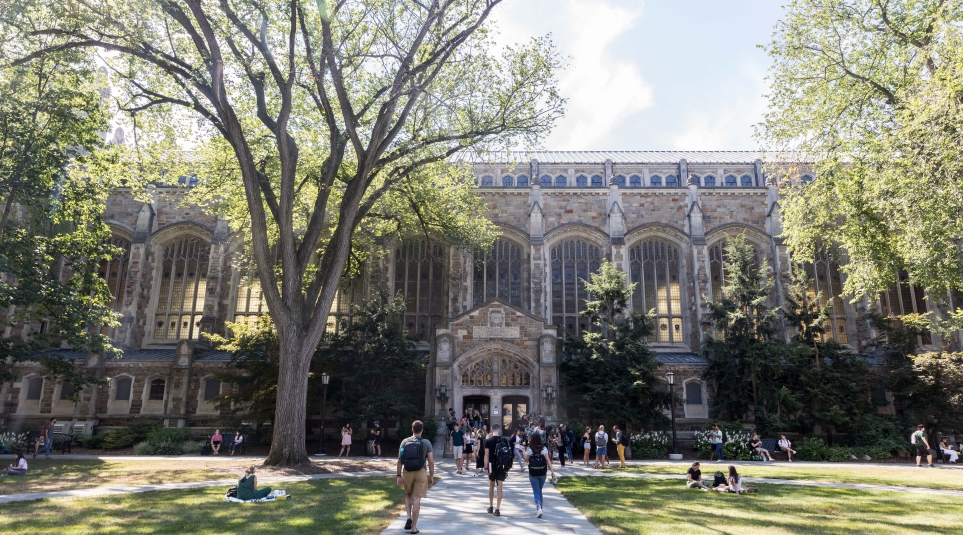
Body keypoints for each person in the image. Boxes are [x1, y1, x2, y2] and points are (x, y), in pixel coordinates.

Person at [397, 420, 435, 534]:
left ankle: (408, 516)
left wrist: (398, 475)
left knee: (408, 494)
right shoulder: (426, 443)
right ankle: (414, 527)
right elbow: (431, 461)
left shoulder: (404, 442)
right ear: (422, 430)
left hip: (408, 471)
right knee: (417, 498)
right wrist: (431, 475)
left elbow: (399, 460)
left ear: (412, 429)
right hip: (421, 471)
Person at [523, 433, 556, 518]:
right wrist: (552, 472)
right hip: (542, 472)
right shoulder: (543, 448)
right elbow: (548, 460)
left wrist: (524, 451)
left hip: (533, 472)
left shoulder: (530, 449)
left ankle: (538, 506)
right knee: (539, 490)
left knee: (536, 490)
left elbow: (526, 459)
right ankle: (540, 508)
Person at [484, 423, 510, 517]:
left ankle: (491, 506)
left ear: (491, 430)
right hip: (502, 466)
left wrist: (486, 467)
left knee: (491, 485)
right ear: (499, 430)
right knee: (500, 487)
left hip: (491, 465)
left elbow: (486, 455)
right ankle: (498, 509)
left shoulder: (488, 440)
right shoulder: (505, 440)